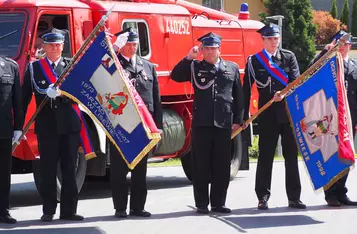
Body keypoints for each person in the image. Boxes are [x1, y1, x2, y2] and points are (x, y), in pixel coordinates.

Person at [171, 32, 244, 214]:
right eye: (207, 48)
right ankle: (202, 203)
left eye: (214, 48)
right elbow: (176, 75)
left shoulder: (232, 68)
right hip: (202, 124)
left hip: (223, 123)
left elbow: (239, 97)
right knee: (201, 165)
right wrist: (189, 58)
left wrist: (238, 120)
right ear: (201, 50)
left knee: (221, 165)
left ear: (220, 49)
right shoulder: (195, 66)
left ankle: (219, 203)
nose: (211, 52)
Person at [22, 28, 84, 221]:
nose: (55, 48)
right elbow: (24, 98)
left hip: (69, 127)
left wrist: (62, 96)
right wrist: (19, 126)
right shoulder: (35, 68)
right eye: (51, 45)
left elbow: (81, 93)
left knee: (69, 169)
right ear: (45, 47)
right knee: (47, 170)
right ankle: (48, 210)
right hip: (47, 127)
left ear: (62, 46)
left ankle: (69, 211)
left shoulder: (71, 66)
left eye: (58, 45)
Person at [243, 23, 306, 210]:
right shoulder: (254, 61)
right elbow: (246, 90)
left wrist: (285, 93)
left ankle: (294, 197)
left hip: (288, 115)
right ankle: (262, 196)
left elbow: (296, 81)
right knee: (265, 157)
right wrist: (242, 117)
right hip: (267, 115)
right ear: (262, 40)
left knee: (291, 157)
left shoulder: (289, 57)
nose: (273, 42)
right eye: (269, 38)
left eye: (276, 38)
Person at [110, 27, 163, 218]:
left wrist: (158, 126)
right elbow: (102, 65)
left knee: (140, 170)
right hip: (121, 126)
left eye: (135, 44)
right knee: (118, 170)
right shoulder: (114, 65)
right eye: (129, 44)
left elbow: (156, 100)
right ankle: (120, 207)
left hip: (143, 127)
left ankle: (138, 207)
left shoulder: (147, 67)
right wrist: (114, 48)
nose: (133, 48)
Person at [310, 30, 357, 207]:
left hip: (349, 119)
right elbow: (311, 70)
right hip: (329, 119)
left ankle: (341, 192)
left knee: (346, 155)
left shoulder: (354, 66)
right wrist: (324, 52)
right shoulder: (326, 65)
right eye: (339, 43)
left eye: (345, 44)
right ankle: (330, 193)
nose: (342, 47)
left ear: (350, 46)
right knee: (330, 155)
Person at [0, 55, 23, 224]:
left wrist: (18, 127)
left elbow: (17, 100)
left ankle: (3, 211)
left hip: (3, 130)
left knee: (3, 173)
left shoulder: (10, 66)